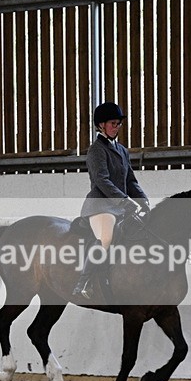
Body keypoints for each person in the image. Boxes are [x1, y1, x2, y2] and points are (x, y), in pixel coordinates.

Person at [72, 102, 150, 299]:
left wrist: (142, 200)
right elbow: (102, 180)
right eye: (113, 123)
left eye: (118, 124)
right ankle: (83, 283)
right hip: (100, 206)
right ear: (100, 125)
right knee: (106, 238)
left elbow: (130, 180)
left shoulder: (122, 150)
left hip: (119, 206)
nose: (116, 127)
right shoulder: (96, 150)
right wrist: (124, 201)